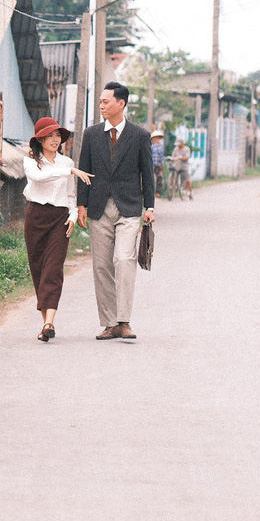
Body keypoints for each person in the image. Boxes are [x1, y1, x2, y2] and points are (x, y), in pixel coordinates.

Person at [76, 82, 156, 340]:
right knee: (101, 266)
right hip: (99, 208)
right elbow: (83, 171)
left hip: (129, 207)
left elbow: (148, 173)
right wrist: (81, 205)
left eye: (106, 101)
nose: (101, 105)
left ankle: (124, 320)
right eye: (100, 101)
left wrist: (150, 206)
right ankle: (109, 323)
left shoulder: (140, 135)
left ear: (121, 104)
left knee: (124, 260)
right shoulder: (91, 134)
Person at [23, 117, 93, 342]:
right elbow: (38, 178)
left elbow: (71, 195)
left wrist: (73, 215)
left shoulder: (67, 162)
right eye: (49, 135)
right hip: (36, 217)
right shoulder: (31, 161)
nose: (55, 140)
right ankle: (46, 324)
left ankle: (49, 322)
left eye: (57, 135)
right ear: (40, 139)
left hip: (60, 219)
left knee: (53, 269)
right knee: (38, 269)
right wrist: (70, 172)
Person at [150, 130, 166, 199]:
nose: (157, 139)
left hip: (158, 164)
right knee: (151, 178)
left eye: (158, 138)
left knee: (159, 178)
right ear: (153, 138)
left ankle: (158, 192)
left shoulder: (160, 146)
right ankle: (150, 192)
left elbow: (161, 155)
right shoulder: (150, 145)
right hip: (151, 164)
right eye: (155, 137)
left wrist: (162, 164)